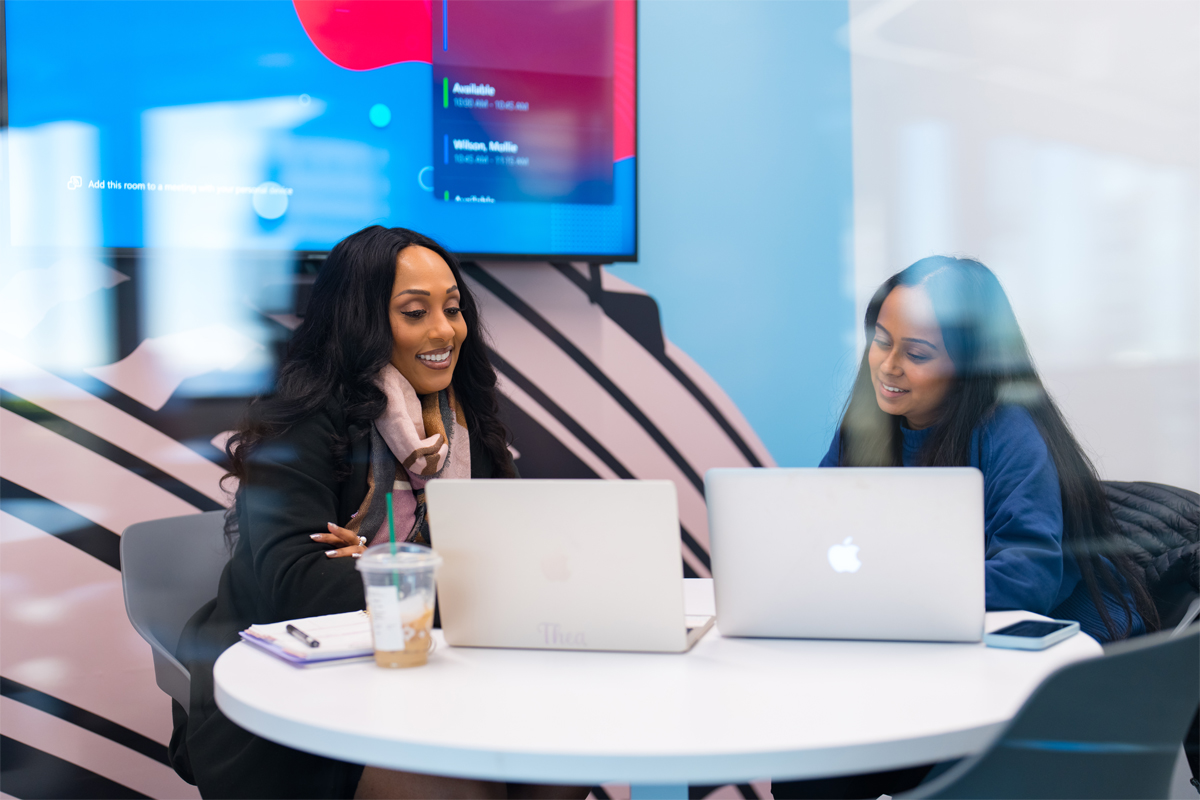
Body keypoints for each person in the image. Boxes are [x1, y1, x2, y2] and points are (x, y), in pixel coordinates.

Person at [174, 226, 579, 799]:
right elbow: (301, 587)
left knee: (568, 758)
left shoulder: (464, 422)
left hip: (438, 680)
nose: (444, 331)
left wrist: (382, 565)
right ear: (361, 323)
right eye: (414, 313)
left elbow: (511, 556)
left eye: (453, 308)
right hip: (298, 702)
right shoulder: (298, 426)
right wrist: (450, 571)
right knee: (453, 783)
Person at [819, 255, 1157, 642]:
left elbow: (1027, 580)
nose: (889, 365)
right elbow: (820, 532)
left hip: (1066, 636)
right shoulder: (865, 428)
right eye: (881, 342)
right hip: (934, 623)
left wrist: (890, 592)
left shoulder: (1008, 433)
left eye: (917, 354)